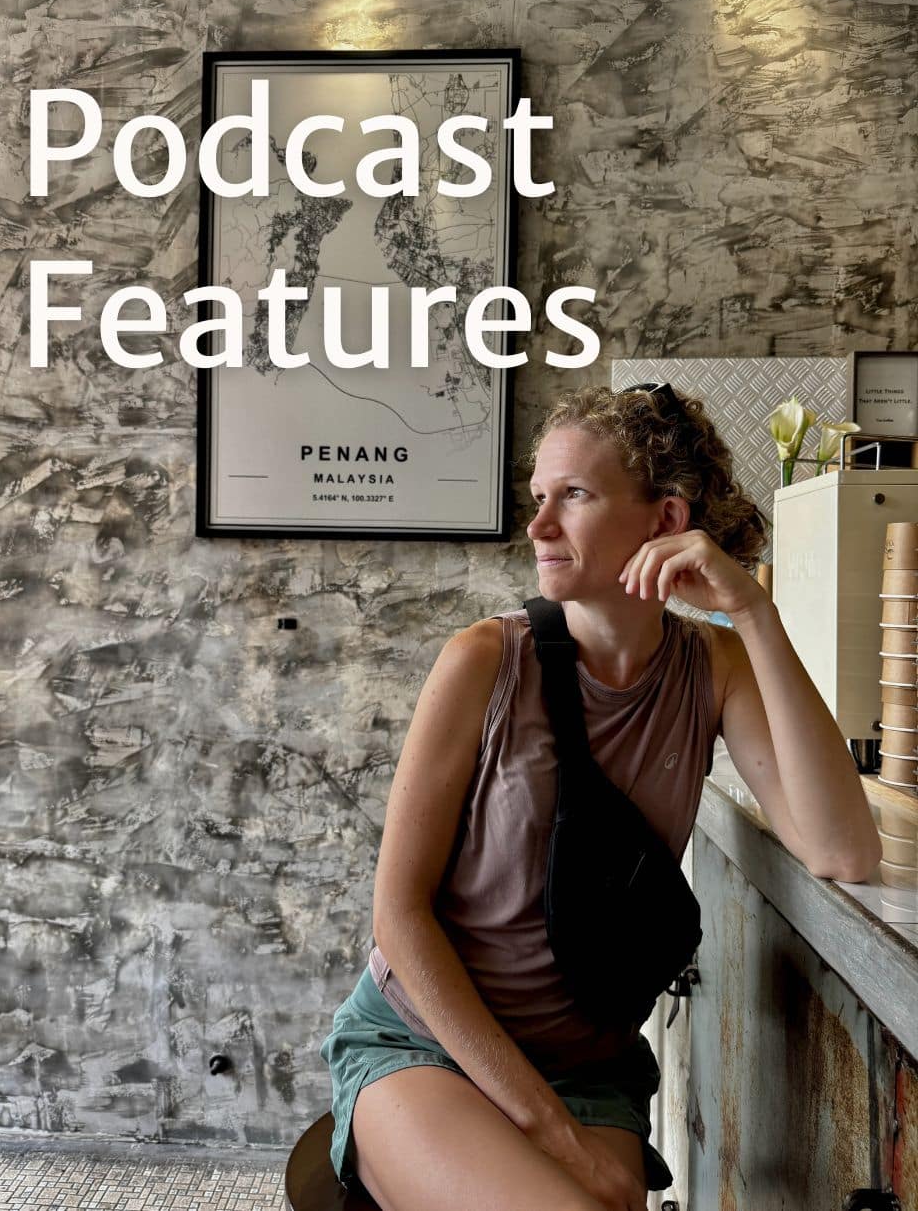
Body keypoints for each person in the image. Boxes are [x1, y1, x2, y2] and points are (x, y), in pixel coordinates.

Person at [319, 382, 881, 1211]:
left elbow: (844, 849)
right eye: (539, 498)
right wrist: (552, 1135)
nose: (538, 526)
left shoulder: (711, 671)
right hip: (427, 1045)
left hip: (589, 1066)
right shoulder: (483, 661)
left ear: (665, 519)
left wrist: (753, 613)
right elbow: (397, 917)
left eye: (572, 496)